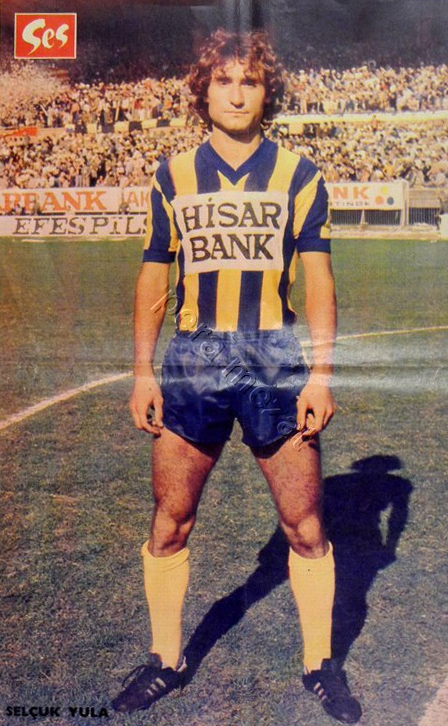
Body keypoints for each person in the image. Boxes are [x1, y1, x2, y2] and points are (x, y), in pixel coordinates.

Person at [111, 29, 362, 724]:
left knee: (304, 525)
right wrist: (142, 372)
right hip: (193, 360)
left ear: (266, 91)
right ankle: (166, 659)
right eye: (223, 81)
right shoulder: (172, 175)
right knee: (170, 520)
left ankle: (319, 664)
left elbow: (318, 282)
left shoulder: (299, 175)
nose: (237, 93)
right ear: (204, 92)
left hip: (272, 361)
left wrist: (320, 375)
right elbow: (154, 277)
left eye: (250, 80)